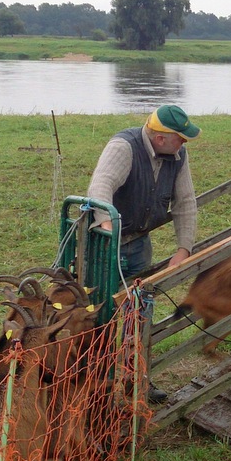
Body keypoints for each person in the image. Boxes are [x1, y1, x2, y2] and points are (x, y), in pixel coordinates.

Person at [87, 104, 201, 403]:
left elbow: (185, 201)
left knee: (139, 310)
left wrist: (183, 248)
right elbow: (101, 185)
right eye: (181, 137)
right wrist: (107, 223)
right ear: (161, 137)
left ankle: (137, 378)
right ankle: (95, 381)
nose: (185, 143)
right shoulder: (123, 147)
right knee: (100, 310)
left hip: (138, 243)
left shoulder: (177, 156)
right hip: (103, 243)